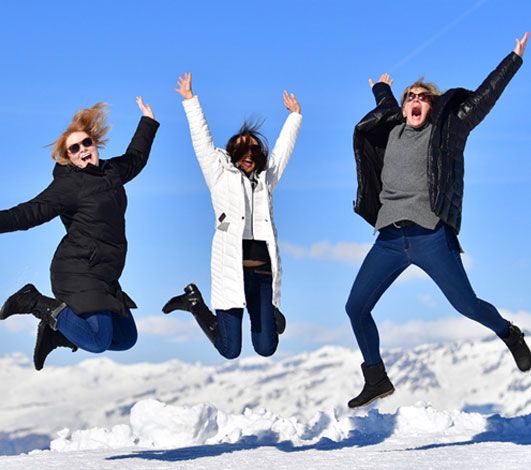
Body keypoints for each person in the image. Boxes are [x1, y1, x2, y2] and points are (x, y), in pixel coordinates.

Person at [347, 32, 530, 408]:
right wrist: (382, 88)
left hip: (430, 235)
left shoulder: (448, 130)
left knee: (466, 305)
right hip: (389, 240)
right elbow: (386, 105)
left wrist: (513, 58)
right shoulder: (392, 129)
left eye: (422, 97)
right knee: (356, 306)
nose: (415, 101)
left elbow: (483, 98)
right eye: (409, 97)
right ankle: (376, 377)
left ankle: (509, 334)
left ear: (432, 105)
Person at [0, 97, 159, 370]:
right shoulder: (68, 185)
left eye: (87, 143)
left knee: (125, 338)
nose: (83, 149)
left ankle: (57, 329)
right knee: (97, 341)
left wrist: (147, 122)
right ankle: (32, 300)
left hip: (105, 274)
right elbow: (28, 213)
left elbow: (136, 159)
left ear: (95, 145)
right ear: (69, 157)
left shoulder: (111, 172)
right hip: (77, 270)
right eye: (75, 148)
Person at [163, 72, 302, 359]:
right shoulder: (219, 175)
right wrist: (190, 100)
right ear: (232, 153)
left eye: (254, 148)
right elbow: (202, 141)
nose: (248, 154)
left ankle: (269, 316)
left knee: (266, 348)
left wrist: (294, 117)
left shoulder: (266, 180)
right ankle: (194, 303)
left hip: (263, 274)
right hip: (231, 271)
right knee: (229, 349)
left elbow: (282, 152)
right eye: (242, 148)